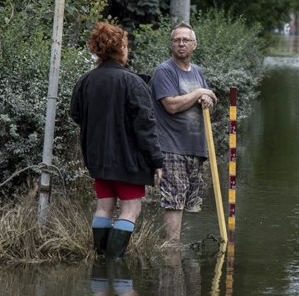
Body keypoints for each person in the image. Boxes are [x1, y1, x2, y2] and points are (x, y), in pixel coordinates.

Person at [70, 22, 164, 258]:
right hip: (127, 160)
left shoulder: (85, 81)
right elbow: (145, 125)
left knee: (104, 207)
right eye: (126, 45)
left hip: (97, 158)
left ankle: (100, 271)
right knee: (130, 209)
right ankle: (114, 267)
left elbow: (76, 115)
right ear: (120, 47)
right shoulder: (133, 82)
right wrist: (157, 160)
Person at [150, 22, 217, 243]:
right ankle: (171, 249)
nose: (181, 43)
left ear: (194, 45)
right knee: (173, 200)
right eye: (177, 40)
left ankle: (177, 250)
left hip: (195, 147)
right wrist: (200, 92)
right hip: (171, 146)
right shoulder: (165, 71)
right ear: (171, 44)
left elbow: (210, 97)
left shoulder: (197, 71)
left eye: (185, 40)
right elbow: (171, 105)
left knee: (189, 201)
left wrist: (207, 97)